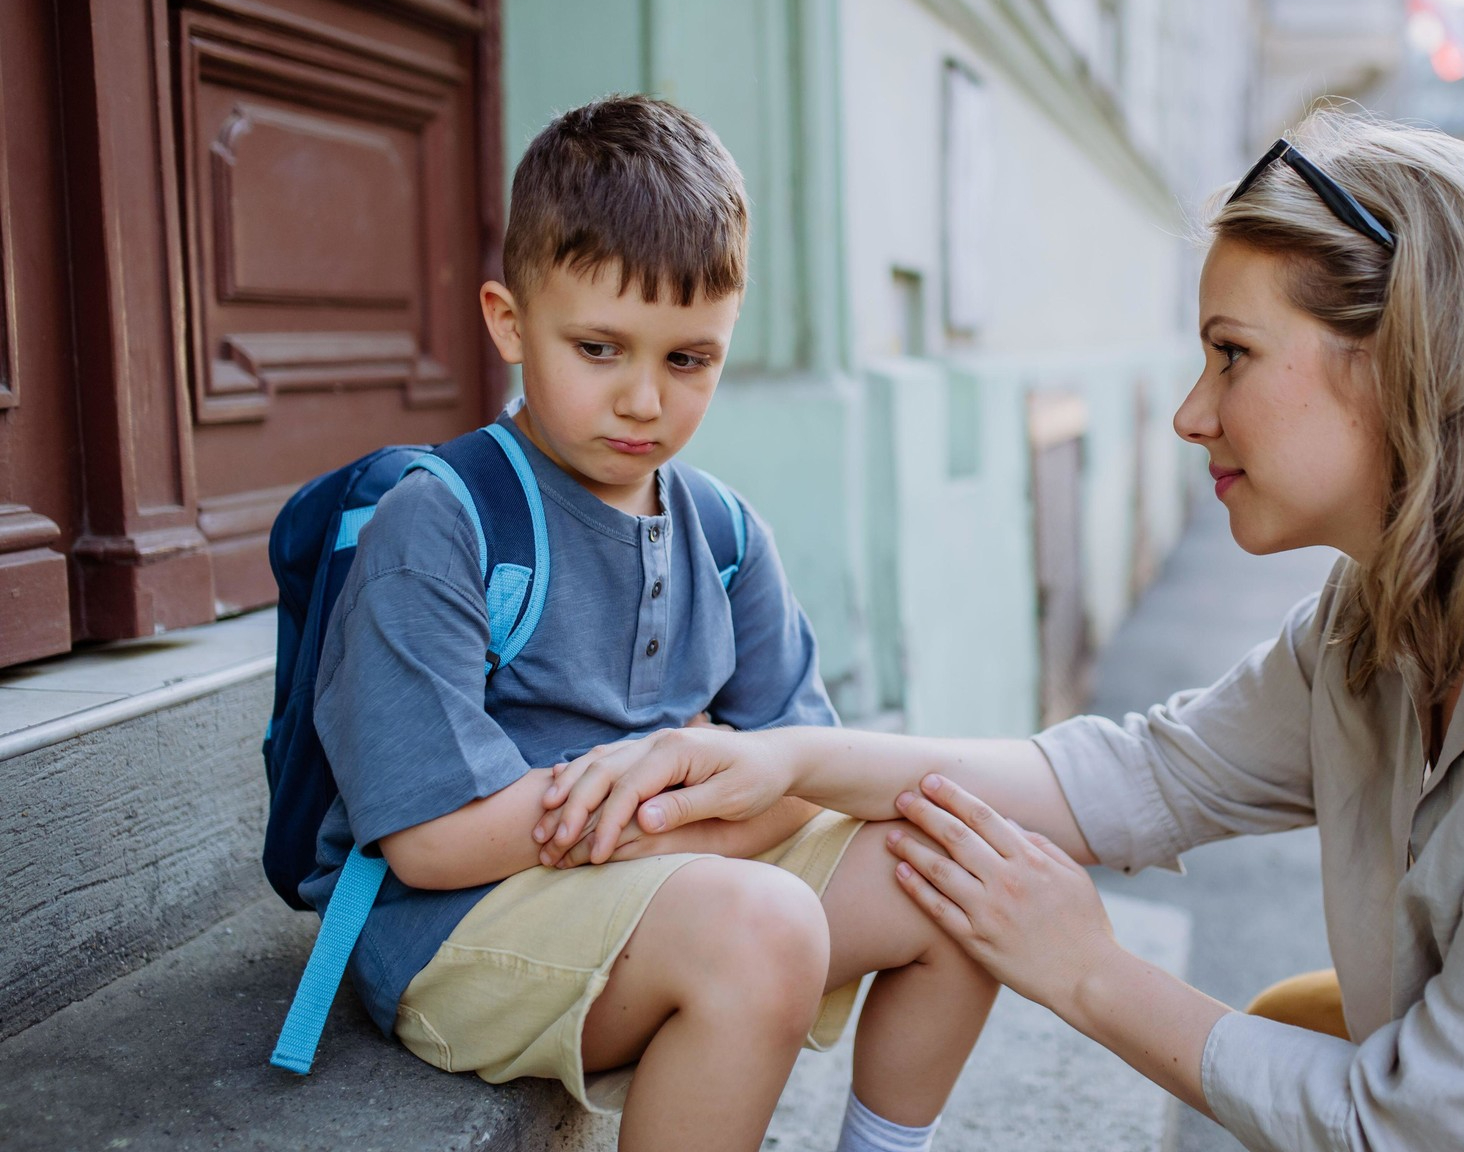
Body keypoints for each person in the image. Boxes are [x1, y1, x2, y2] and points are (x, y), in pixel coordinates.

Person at [535, 110, 1464, 1151]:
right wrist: (793, 766)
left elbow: (1420, 1132)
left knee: (1299, 1054)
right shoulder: (1400, 596)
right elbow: (1146, 775)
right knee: (1291, 1033)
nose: (1194, 413)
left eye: (1232, 355)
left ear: (1401, 359)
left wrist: (1085, 969)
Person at [308, 95, 996, 1152]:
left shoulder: (721, 531)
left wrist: (696, 793)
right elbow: (438, 839)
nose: (644, 401)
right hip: (461, 928)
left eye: (688, 360)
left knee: (957, 866)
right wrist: (698, 784)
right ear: (508, 321)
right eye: (599, 348)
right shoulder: (442, 521)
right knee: (760, 927)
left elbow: (806, 763)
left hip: (663, 884)